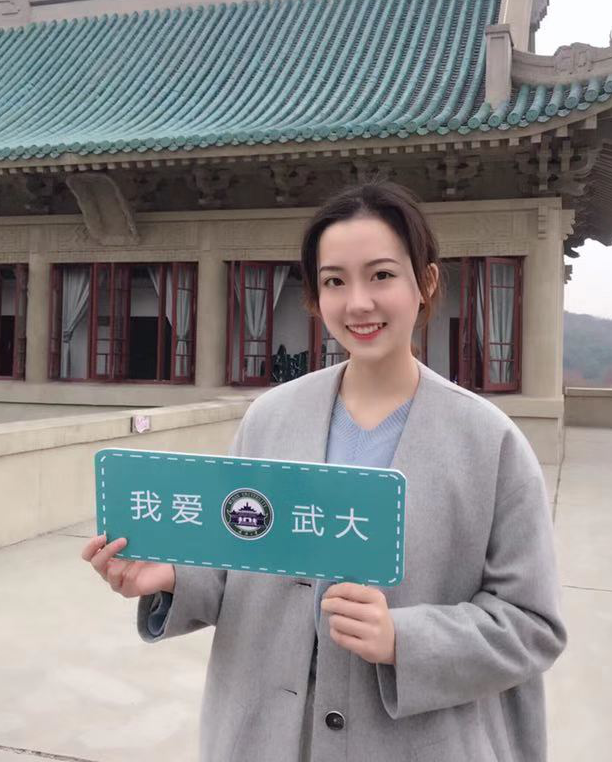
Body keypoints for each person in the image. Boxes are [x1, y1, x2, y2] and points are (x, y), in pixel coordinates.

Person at [82, 182, 567, 761]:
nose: (358, 303)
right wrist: (171, 577)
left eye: (381, 275)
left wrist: (404, 639)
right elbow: (235, 555)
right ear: (315, 297)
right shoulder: (271, 419)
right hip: (263, 738)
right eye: (335, 281)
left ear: (426, 283)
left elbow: (532, 624)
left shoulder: (489, 442)